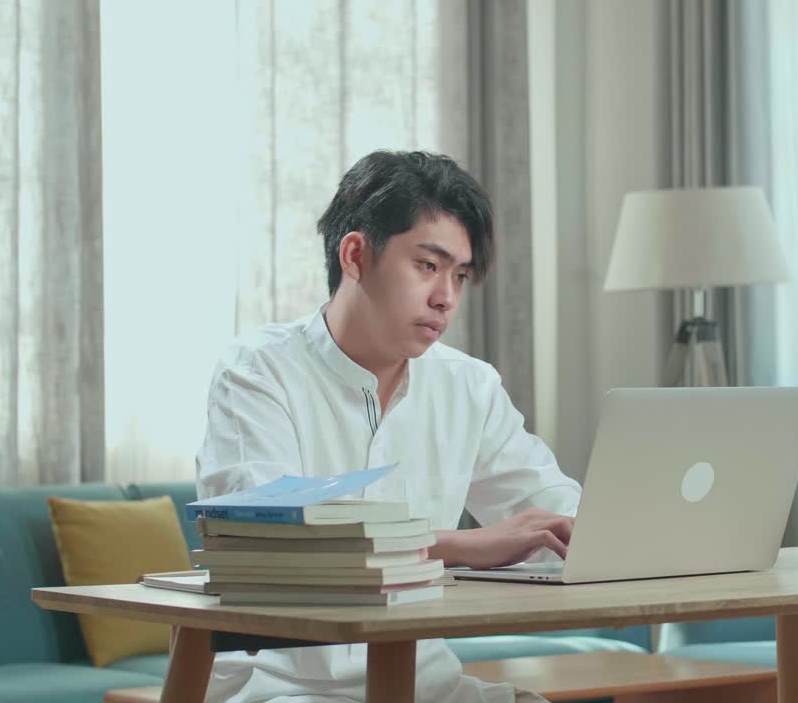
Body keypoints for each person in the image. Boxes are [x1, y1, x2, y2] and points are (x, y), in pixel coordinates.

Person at [195, 150, 581, 703]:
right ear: (355, 254)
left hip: (428, 685)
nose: (446, 297)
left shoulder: (468, 385)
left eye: (461, 275)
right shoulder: (258, 371)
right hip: (281, 688)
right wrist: (461, 545)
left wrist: (613, 536)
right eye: (428, 265)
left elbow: (552, 517)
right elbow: (268, 544)